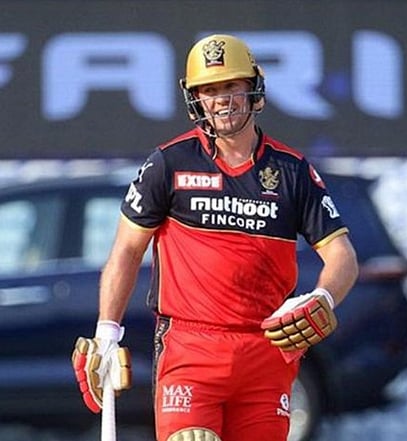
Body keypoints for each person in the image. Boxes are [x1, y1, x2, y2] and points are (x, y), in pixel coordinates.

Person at [71, 34, 359, 441]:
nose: (221, 100)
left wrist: (323, 296)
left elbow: (342, 255)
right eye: (209, 90)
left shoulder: (292, 170)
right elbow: (126, 251)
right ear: (195, 99)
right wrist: (106, 332)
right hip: (190, 349)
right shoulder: (169, 163)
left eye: (231, 87)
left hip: (267, 352)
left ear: (253, 90)